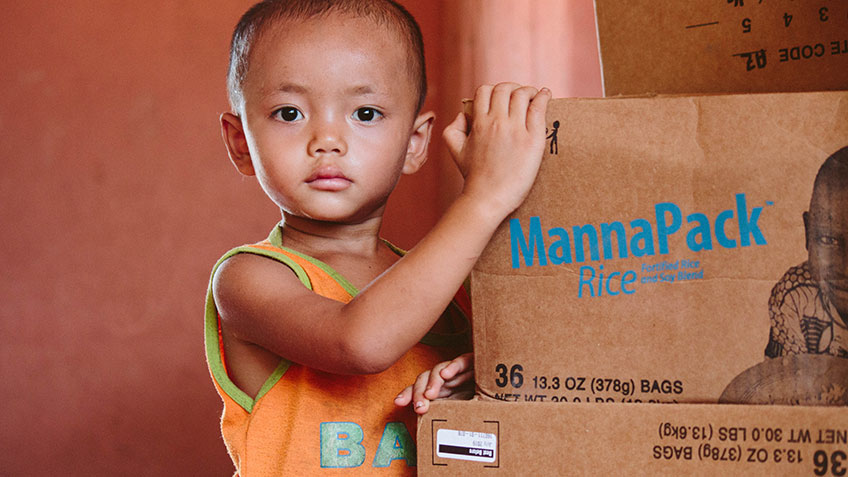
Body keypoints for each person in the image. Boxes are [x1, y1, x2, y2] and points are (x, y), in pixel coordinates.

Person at [203, 0, 551, 474]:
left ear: (414, 142)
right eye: (289, 112)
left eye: (365, 113)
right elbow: (358, 342)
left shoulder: (452, 291)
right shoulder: (246, 278)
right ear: (241, 141)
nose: (328, 139)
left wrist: (467, 389)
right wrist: (485, 197)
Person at [765, 146, 848, 359]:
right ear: (807, 232)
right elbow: (782, 385)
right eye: (828, 240)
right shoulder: (794, 297)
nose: (844, 266)